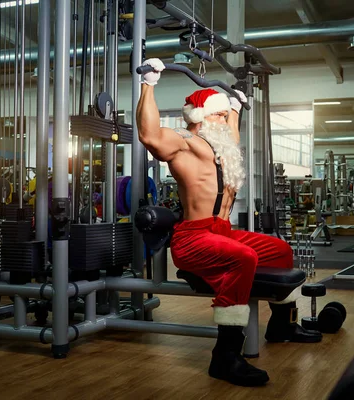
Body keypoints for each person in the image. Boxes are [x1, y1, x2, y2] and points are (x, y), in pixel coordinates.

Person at [136, 58, 322, 387]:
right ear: (198, 118)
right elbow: (149, 135)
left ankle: (282, 326)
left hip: (221, 232)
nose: (223, 120)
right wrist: (149, 84)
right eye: (217, 114)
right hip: (192, 240)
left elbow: (231, 134)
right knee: (244, 257)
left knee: (279, 250)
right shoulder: (187, 146)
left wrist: (234, 106)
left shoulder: (222, 147)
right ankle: (225, 356)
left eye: (223, 115)